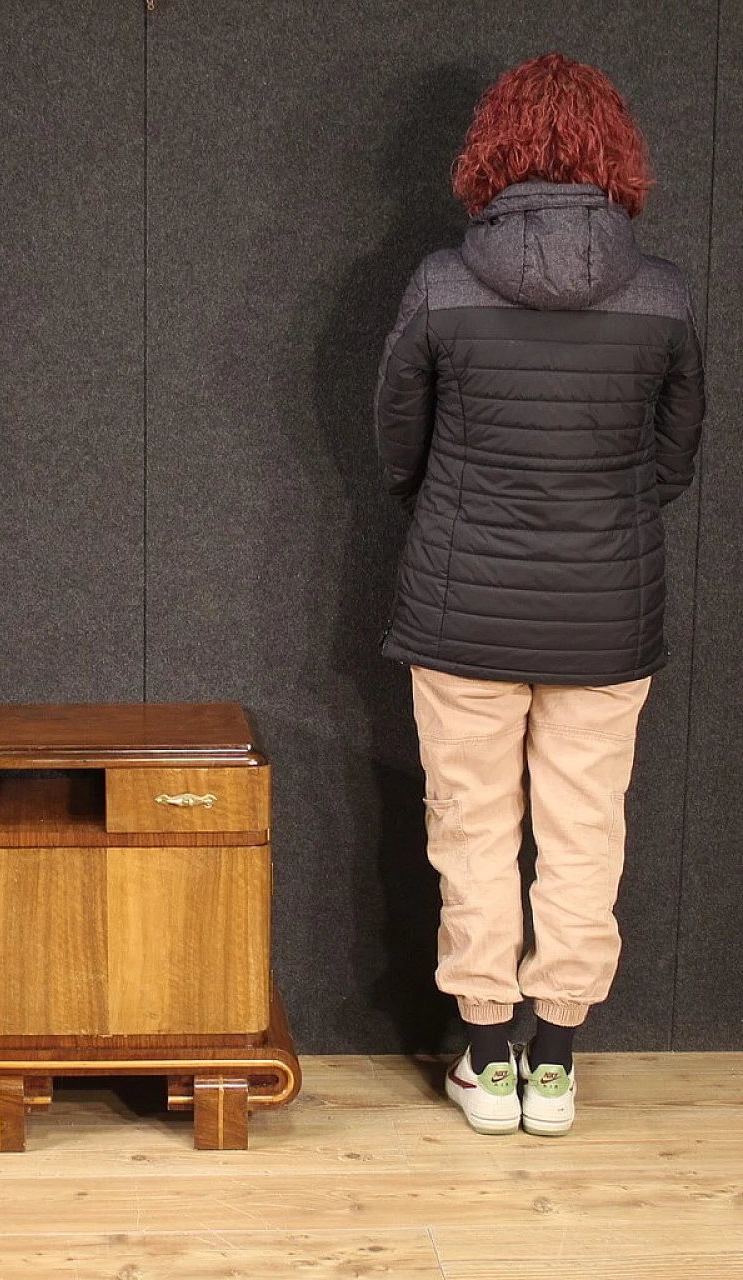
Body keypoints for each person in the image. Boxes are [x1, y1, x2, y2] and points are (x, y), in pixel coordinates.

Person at [374, 53, 705, 1136]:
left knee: (467, 829)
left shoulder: (438, 283)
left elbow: (396, 446)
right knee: (582, 830)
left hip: (459, 605)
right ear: (613, 151)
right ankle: (552, 1064)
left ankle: (483, 1057)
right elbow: (672, 458)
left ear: (492, 154)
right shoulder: (660, 295)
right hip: (607, 616)